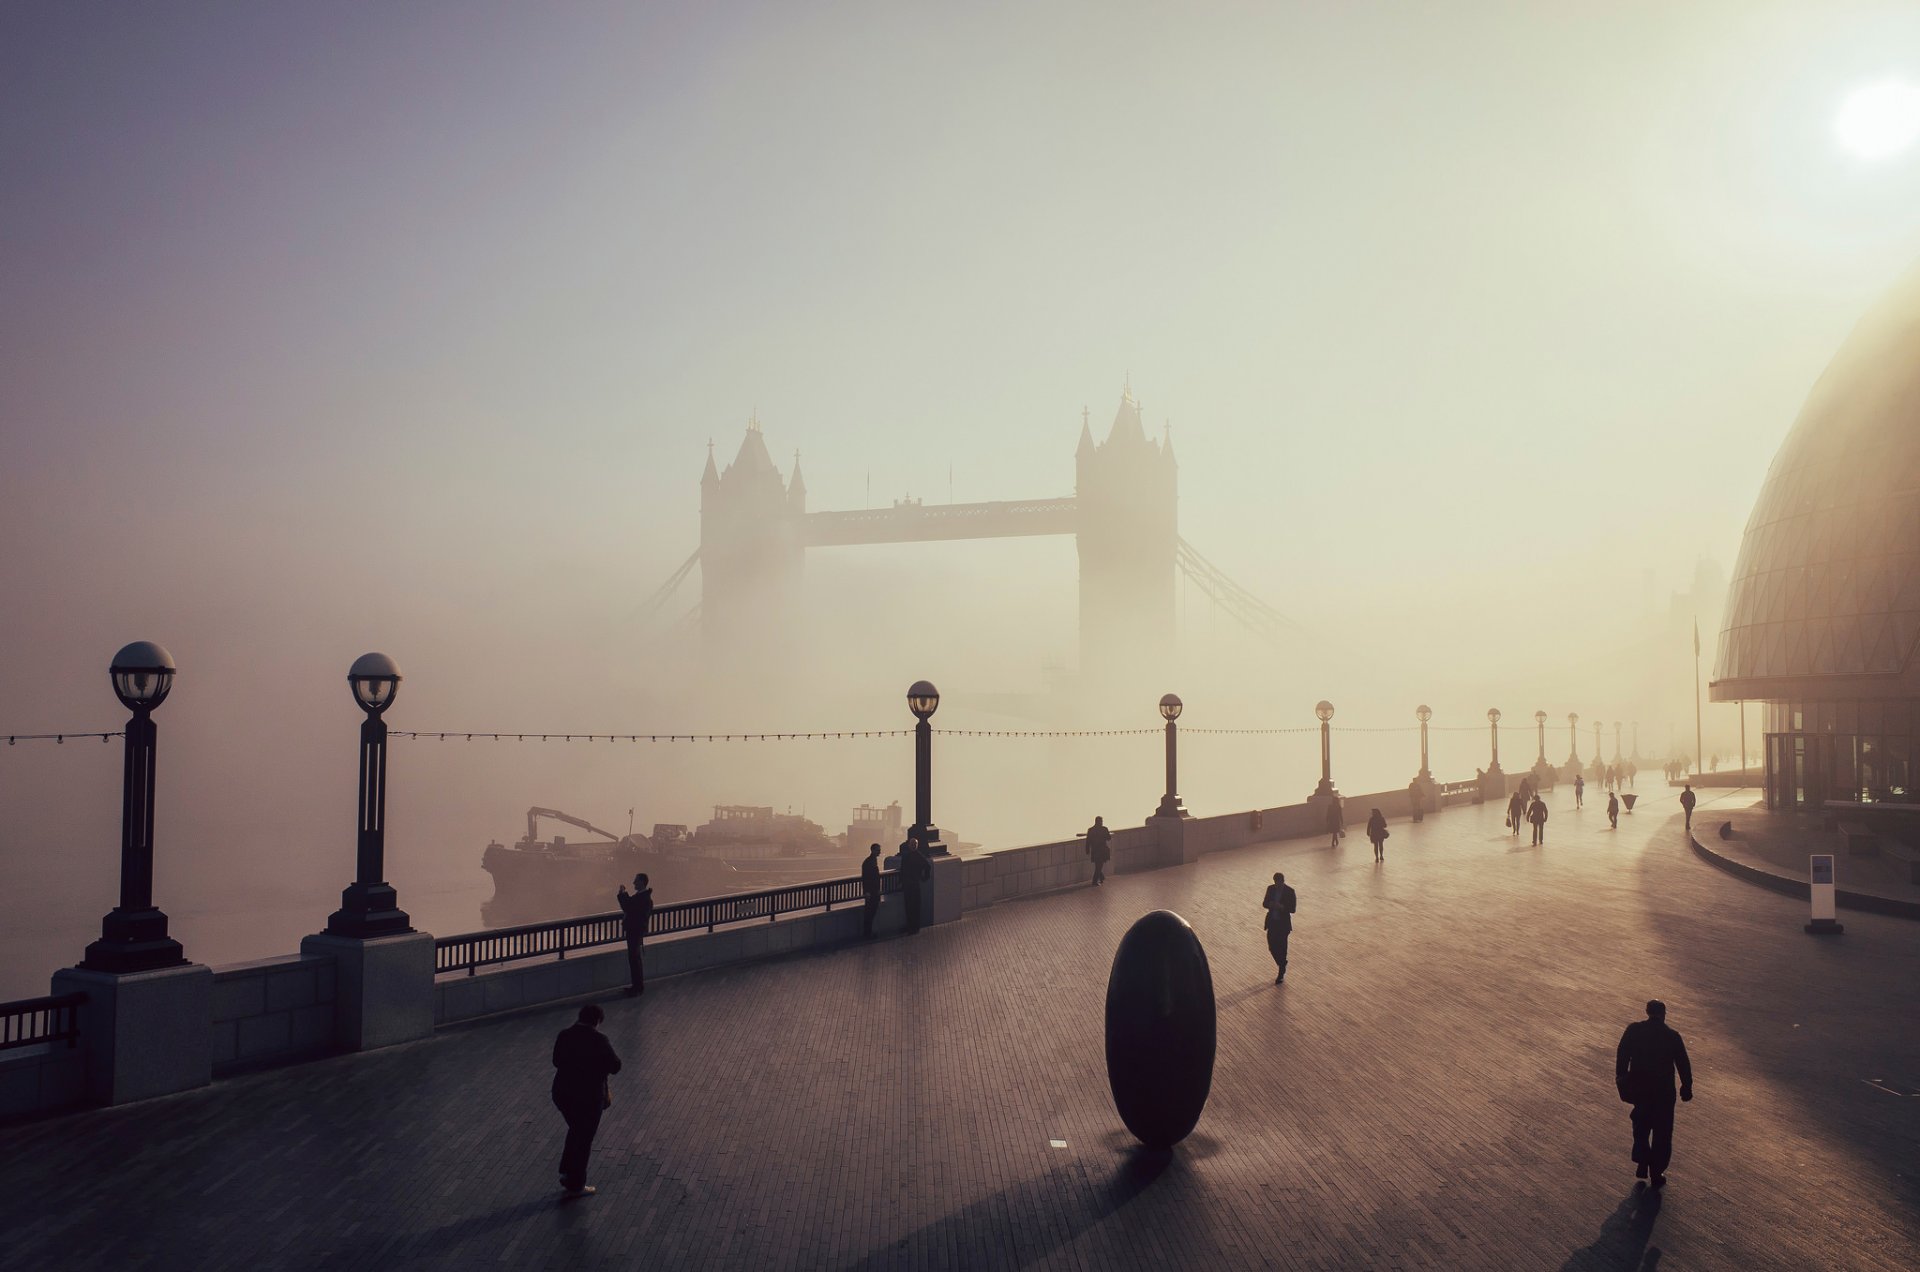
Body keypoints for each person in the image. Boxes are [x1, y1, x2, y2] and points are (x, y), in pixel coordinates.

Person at [1615, 999, 1693, 1188]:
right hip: (1664, 1092)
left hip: (1640, 1089)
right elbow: (1683, 1063)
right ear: (1664, 1013)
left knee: (1641, 1126)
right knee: (1663, 1133)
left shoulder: (1634, 1030)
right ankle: (1656, 1172)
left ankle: (1642, 1159)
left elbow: (1622, 1054)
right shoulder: (1672, 1036)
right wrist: (1686, 1086)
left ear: (1647, 1011)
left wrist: (1622, 1079)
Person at [552, 1003, 622, 1197]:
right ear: (597, 1021)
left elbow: (556, 1061)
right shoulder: (599, 1040)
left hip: (563, 1094)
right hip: (589, 1098)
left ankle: (567, 1171)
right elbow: (615, 1066)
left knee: (576, 1130)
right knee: (584, 1138)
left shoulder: (564, 1035)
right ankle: (576, 1183)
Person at [615, 873, 654, 996]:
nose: (633, 883)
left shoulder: (643, 898)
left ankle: (637, 987)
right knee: (634, 958)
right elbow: (630, 906)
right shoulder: (643, 897)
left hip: (634, 931)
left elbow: (628, 907)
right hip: (636, 931)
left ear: (642, 882)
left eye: (636, 881)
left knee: (634, 958)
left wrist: (622, 893)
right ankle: (636, 986)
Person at [1262, 872, 1296, 983]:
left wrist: (1282, 907)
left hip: (1283, 925)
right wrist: (1270, 904)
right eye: (1276, 883)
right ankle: (1282, 963)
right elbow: (1264, 903)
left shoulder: (1290, 892)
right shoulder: (1270, 889)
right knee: (1272, 946)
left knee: (1282, 947)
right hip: (1272, 923)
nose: (1277, 885)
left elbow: (1293, 909)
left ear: (1282, 881)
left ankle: (1281, 972)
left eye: (1279, 883)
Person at [899, 837, 932, 934]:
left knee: (911, 906)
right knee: (914, 906)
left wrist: (901, 881)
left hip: (909, 885)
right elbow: (927, 866)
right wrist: (924, 878)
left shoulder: (906, 856)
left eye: (915, 844)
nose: (914, 845)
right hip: (914, 884)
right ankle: (914, 927)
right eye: (913, 844)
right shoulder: (919, 856)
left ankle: (912, 927)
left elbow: (902, 870)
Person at [859, 842, 883, 938]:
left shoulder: (869, 861)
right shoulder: (870, 862)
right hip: (872, 892)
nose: (880, 852)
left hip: (872, 891)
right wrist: (867, 892)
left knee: (870, 912)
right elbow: (866, 878)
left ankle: (868, 932)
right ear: (873, 850)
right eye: (878, 850)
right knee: (870, 912)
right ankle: (867, 933)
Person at [1085, 815, 1112, 886]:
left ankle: (1101, 877)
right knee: (1099, 866)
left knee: (1098, 865)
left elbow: (1088, 841)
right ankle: (1094, 881)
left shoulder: (1090, 830)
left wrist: (1087, 850)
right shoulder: (1104, 829)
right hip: (1102, 850)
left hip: (1095, 850)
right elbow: (1109, 838)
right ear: (1100, 822)